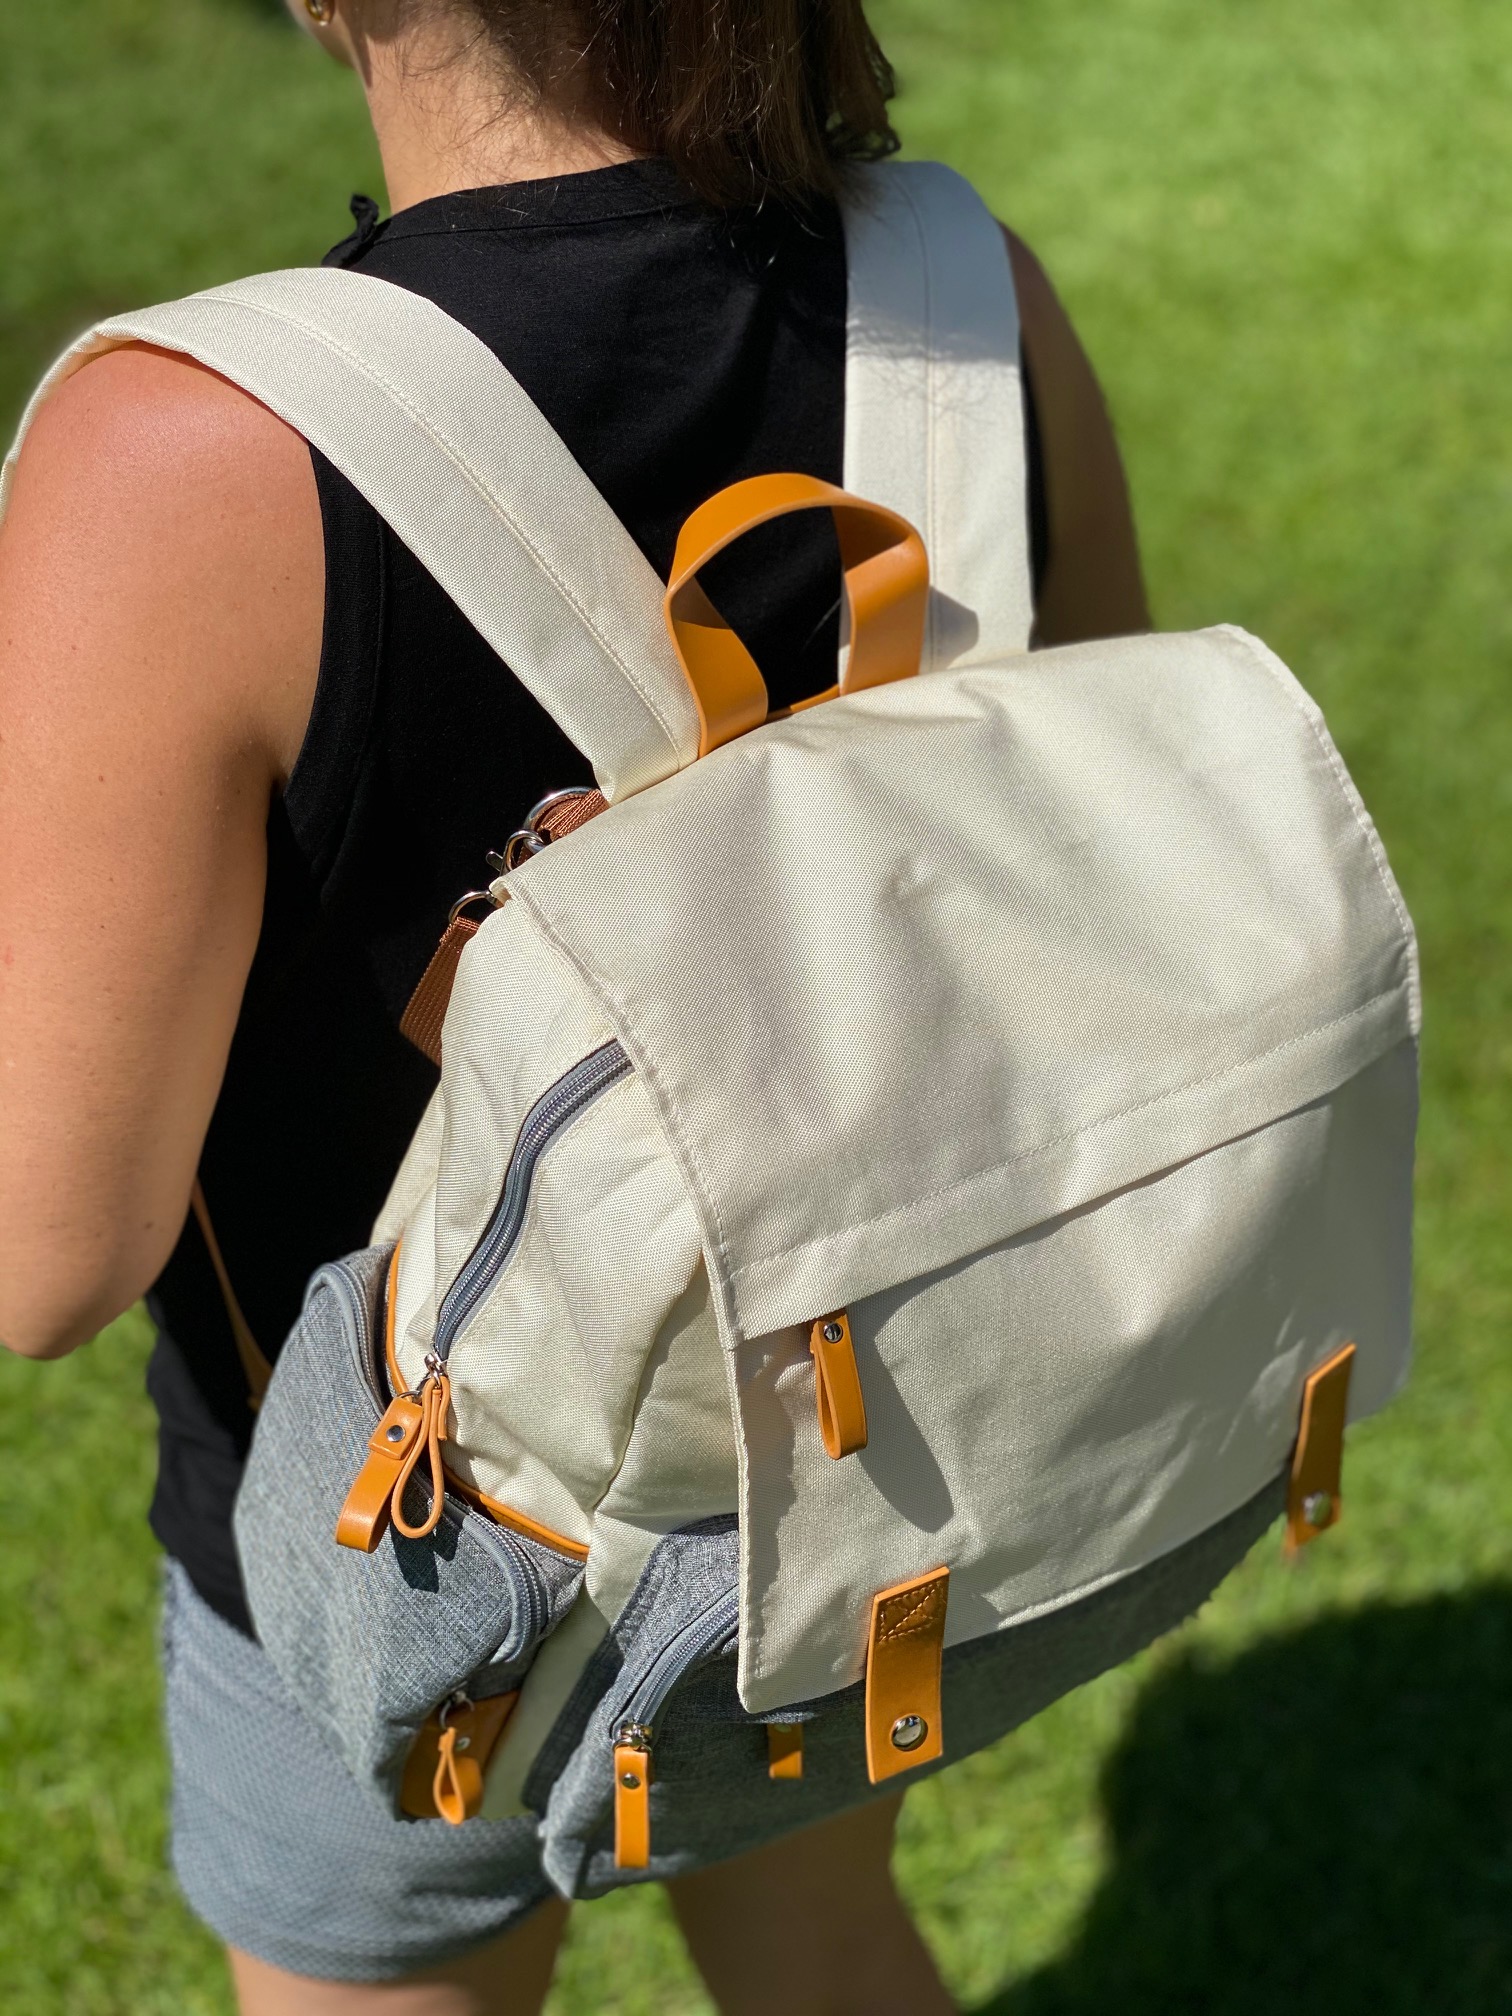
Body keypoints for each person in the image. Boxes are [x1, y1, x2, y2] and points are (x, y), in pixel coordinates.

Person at [0, 0, 1149, 2008]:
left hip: (410, 1557)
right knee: (819, 1938)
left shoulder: (182, 456)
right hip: (853, 1454)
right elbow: (1094, 859)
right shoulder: (968, 301)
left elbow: (48, 1258)